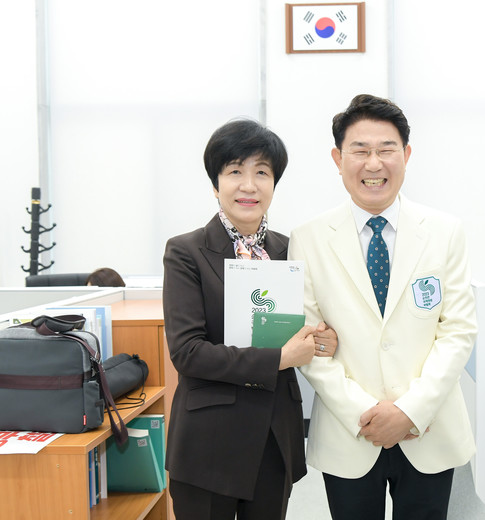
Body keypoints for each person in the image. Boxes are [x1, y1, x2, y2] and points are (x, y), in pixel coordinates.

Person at [288, 94, 478, 520]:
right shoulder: (308, 239)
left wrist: (410, 410)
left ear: (406, 155)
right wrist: (364, 413)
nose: (373, 164)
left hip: (428, 429)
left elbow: (458, 332)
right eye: (360, 150)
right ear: (338, 159)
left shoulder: (445, 232)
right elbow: (308, 344)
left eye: (386, 149)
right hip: (349, 432)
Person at [162, 118, 337, 520]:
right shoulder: (186, 252)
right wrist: (279, 359)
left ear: (274, 183)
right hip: (208, 441)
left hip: (275, 437)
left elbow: (307, 325)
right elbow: (187, 353)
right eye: (235, 172)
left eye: (262, 173)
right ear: (216, 183)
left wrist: (323, 339)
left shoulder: (290, 250)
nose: (249, 185)